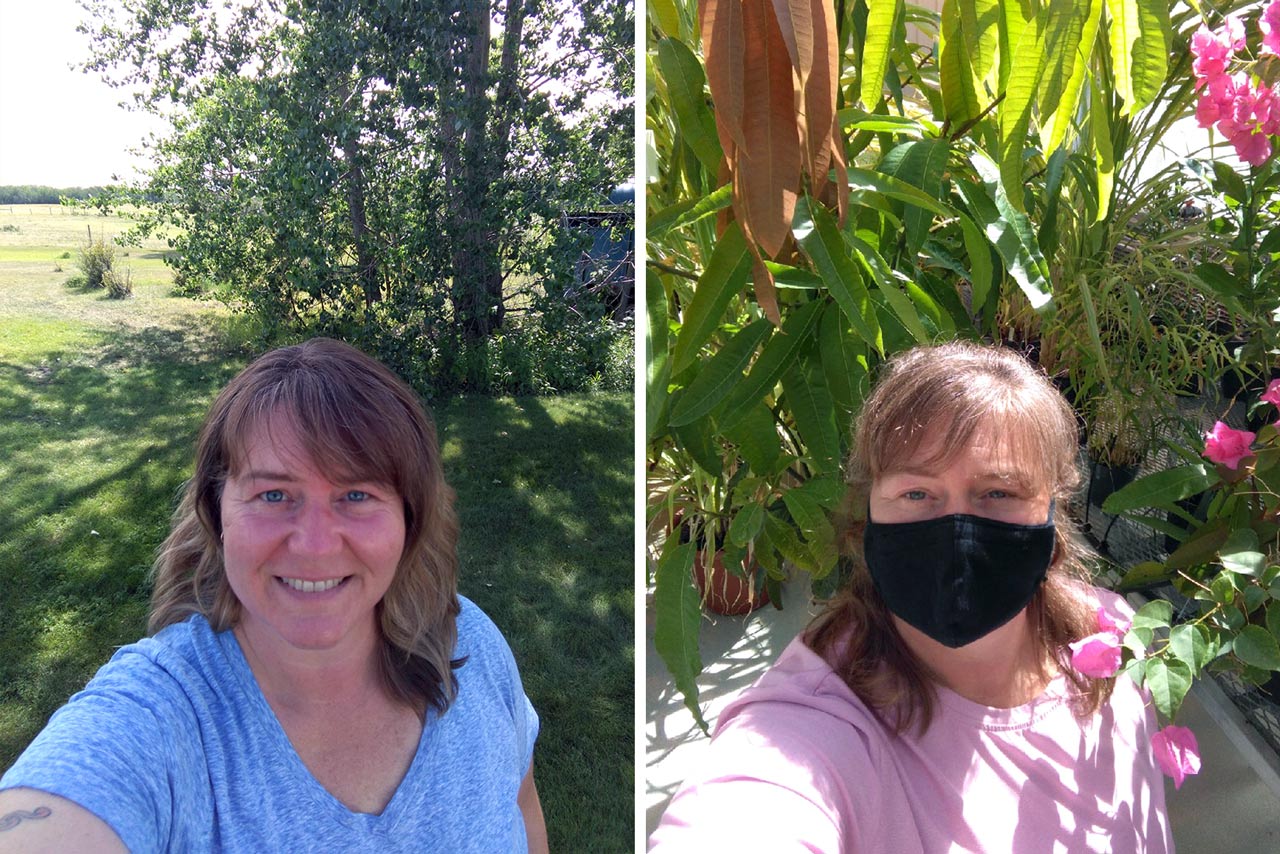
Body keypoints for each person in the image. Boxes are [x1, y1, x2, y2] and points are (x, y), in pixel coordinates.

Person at [0, 337, 549, 852]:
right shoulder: (157, 717)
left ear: (410, 518)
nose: (313, 545)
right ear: (217, 512)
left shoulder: (470, 642)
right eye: (273, 494)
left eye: (356, 494)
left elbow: (521, 802)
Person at [650, 340, 1172, 852]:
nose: (957, 533)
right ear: (868, 512)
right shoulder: (812, 731)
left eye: (1000, 493)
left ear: (1053, 511)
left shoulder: (1117, 638)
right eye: (916, 493)